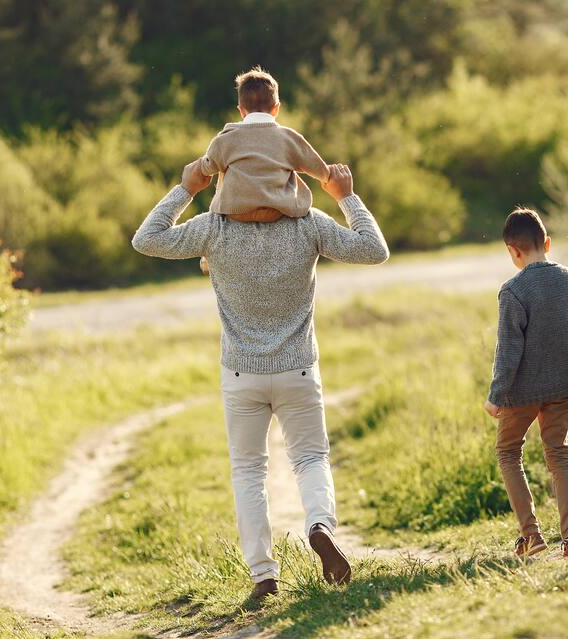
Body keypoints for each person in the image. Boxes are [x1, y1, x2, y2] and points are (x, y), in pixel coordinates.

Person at [131, 160, 388, 601]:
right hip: (298, 369)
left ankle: (264, 577)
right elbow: (374, 249)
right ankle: (320, 525)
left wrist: (186, 189)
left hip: (241, 373)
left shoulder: (214, 228)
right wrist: (345, 195)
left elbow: (146, 239)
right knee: (310, 458)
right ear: (288, 179)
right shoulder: (308, 224)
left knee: (248, 471)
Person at [484, 208, 568, 560]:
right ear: (547, 243)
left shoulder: (513, 291)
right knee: (559, 455)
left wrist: (495, 396)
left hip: (520, 392)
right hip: (562, 386)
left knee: (508, 452)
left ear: (513, 251)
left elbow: (509, 351)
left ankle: (532, 536)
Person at [199, 66, 330, 223]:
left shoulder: (226, 139)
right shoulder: (289, 138)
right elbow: (316, 166)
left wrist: (200, 167)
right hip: (278, 210)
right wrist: (327, 176)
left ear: (241, 110)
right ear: (276, 109)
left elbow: (208, 167)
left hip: (236, 210)